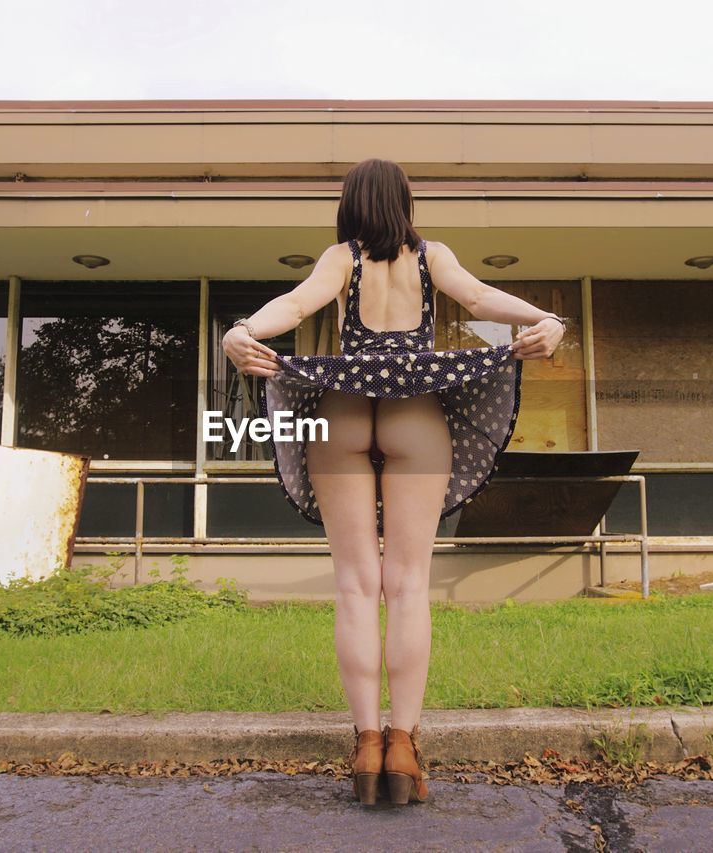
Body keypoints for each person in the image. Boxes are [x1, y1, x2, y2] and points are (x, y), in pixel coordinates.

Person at [222, 158, 564, 805]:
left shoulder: (341, 259)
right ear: (405, 204)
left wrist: (242, 330)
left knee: (355, 582)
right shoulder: (432, 256)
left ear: (351, 206)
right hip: (415, 413)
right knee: (407, 584)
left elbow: (296, 304)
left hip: (345, 408)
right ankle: (403, 745)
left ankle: (366, 744)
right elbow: (482, 299)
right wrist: (546, 317)